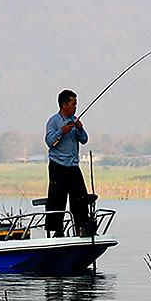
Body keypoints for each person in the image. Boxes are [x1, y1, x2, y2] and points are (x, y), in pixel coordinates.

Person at [45, 89, 94, 237]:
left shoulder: (75, 120)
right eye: (73, 104)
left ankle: (81, 228)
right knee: (57, 198)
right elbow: (50, 142)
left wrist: (80, 129)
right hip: (57, 166)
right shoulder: (53, 121)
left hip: (73, 166)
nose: (75, 107)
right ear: (64, 104)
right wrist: (62, 131)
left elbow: (84, 140)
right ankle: (57, 230)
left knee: (80, 198)